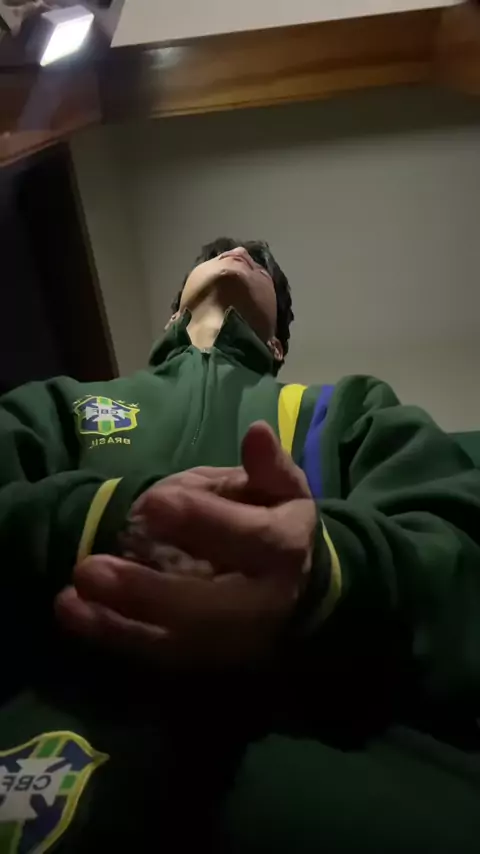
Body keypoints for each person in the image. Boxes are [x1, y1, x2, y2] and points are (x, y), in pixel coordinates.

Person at [1, 236, 480, 853]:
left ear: (276, 346)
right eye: (222, 252)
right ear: (173, 315)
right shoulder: (59, 405)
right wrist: (104, 519)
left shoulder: (348, 409)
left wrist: (326, 570)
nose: (242, 250)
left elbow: (460, 556)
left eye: (260, 264)